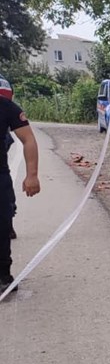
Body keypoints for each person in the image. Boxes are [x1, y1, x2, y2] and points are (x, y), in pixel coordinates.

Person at [1, 95, 39, 291]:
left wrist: (32, 175)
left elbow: (28, 138)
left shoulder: (5, 106)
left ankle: (3, 276)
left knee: (2, 225)